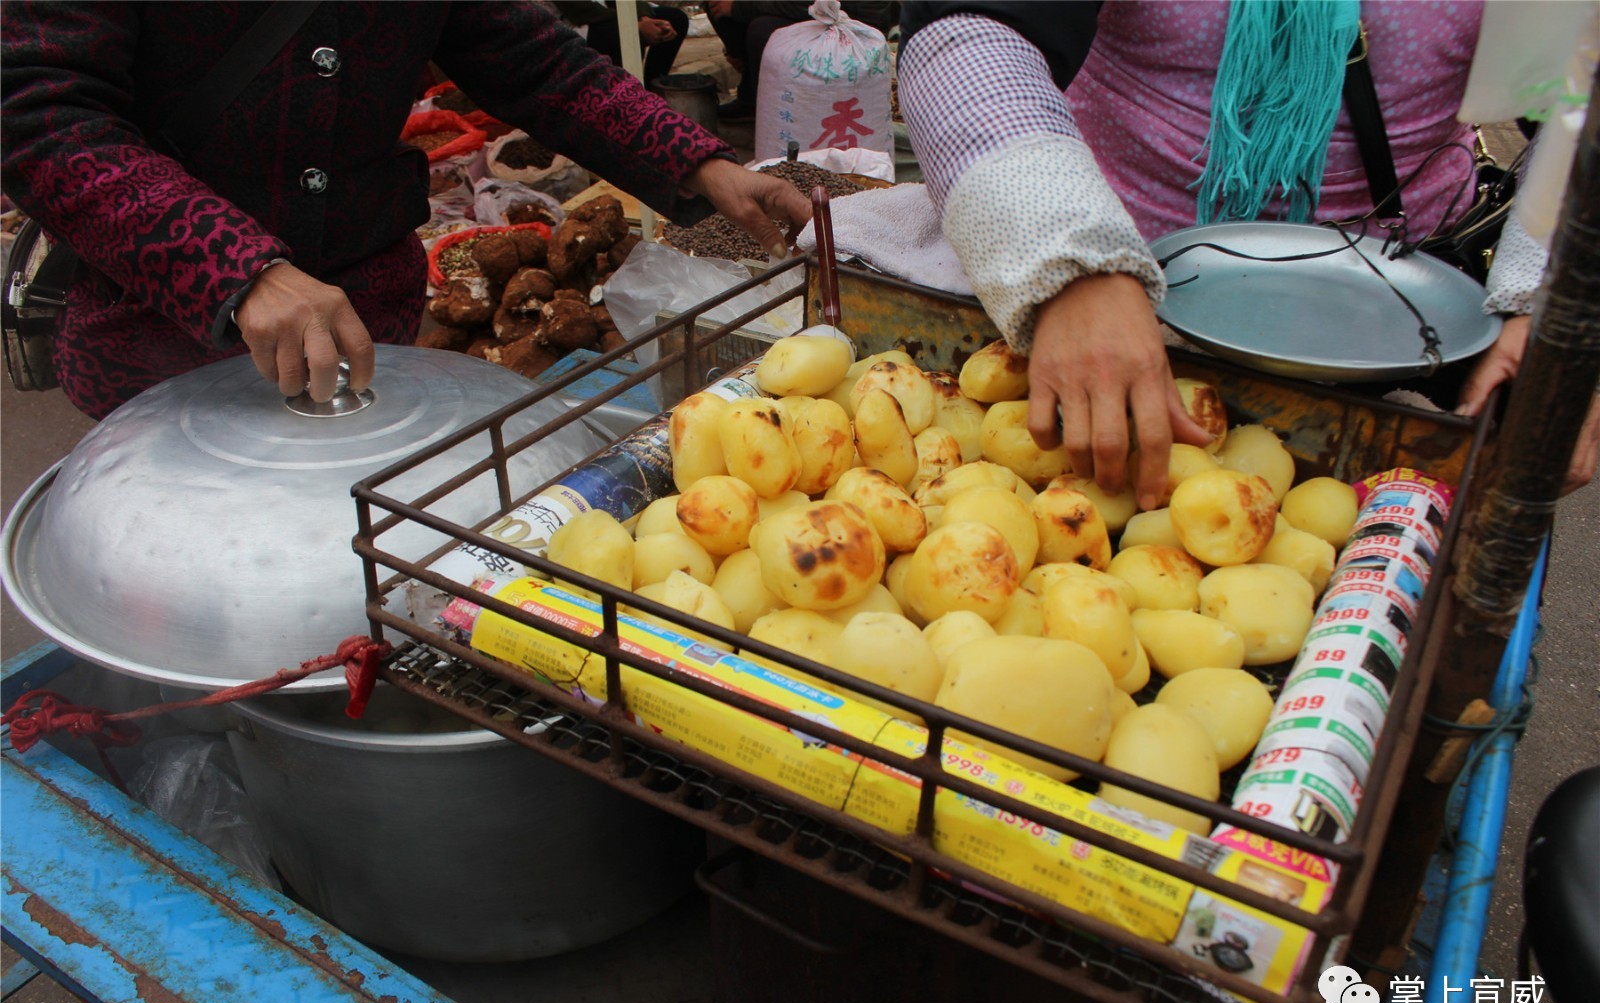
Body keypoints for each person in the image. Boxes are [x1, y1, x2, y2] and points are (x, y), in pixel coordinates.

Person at [897, 1, 1598, 506]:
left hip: (1410, 327)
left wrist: (1555, 297)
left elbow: (1579, 91)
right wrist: (1069, 266)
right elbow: (968, 34)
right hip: (1107, 314)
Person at [1, 2, 811, 421]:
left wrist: (698, 161)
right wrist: (237, 270)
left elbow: (530, 58)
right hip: (158, 343)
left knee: (375, 586)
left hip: (374, 327)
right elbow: (36, 108)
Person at [706, 0, 896, 120]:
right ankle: (751, 92)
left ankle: (777, 112)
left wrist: (738, 7)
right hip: (813, 11)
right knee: (717, 5)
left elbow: (800, 4)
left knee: (761, 29)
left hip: (848, 21)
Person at [553, 2, 690, 90]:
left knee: (675, 19)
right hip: (572, 27)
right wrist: (634, 24)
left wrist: (644, 18)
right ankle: (627, 94)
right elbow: (581, 10)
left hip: (605, 16)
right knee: (630, 36)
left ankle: (652, 88)